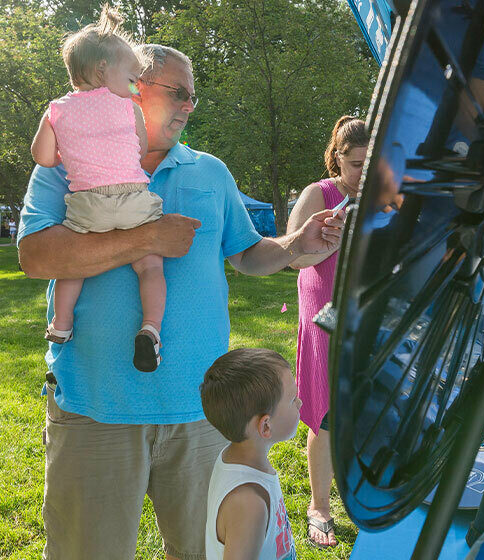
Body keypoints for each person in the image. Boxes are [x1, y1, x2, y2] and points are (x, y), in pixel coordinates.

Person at [17, 43, 344, 560]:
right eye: (179, 93)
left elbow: (247, 254)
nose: (190, 105)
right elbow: (35, 256)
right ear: (129, 87)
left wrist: (295, 246)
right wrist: (147, 240)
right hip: (94, 409)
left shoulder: (209, 171)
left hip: (204, 416)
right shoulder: (65, 160)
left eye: (193, 96)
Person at [30, 5, 165, 372]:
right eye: (132, 77)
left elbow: (44, 158)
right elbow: (139, 150)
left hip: (87, 204)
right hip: (133, 199)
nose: (136, 84)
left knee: (73, 266)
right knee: (150, 263)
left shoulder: (57, 109)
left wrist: (57, 131)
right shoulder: (127, 106)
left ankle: (61, 324)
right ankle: (151, 329)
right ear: (104, 70)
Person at [286, 116, 368, 548]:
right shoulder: (320, 194)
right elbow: (292, 258)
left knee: (372, 406)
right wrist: (328, 242)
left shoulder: (386, 196)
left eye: (372, 164)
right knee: (328, 411)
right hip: (327, 315)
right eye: (356, 164)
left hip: (372, 316)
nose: (363, 174)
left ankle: (370, 495)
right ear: (337, 158)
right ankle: (319, 505)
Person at [200, 348, 300, 560]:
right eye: (293, 399)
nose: (299, 403)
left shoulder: (233, 457)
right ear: (266, 426)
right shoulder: (249, 504)